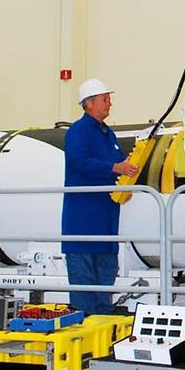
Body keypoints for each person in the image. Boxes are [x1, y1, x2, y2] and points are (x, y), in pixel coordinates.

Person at [62, 78, 140, 316]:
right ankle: (85, 326)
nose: (109, 103)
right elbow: (79, 161)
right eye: (105, 99)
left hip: (105, 218)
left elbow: (115, 165)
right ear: (89, 103)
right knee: (84, 277)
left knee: (106, 273)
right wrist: (115, 169)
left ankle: (102, 322)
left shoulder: (108, 134)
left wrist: (124, 181)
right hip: (83, 219)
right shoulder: (79, 131)